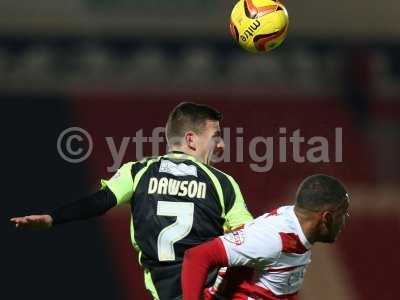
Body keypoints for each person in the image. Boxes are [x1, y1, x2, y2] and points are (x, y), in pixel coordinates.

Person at [10, 102, 253, 300]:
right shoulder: (221, 183)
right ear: (191, 139)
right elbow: (248, 238)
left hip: (164, 290)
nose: (221, 144)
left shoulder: (137, 172)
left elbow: (100, 201)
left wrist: (53, 218)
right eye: (216, 136)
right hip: (210, 292)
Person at [182, 174, 350, 300]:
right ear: (326, 217)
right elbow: (197, 256)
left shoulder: (299, 230)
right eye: (343, 214)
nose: (345, 220)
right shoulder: (272, 238)